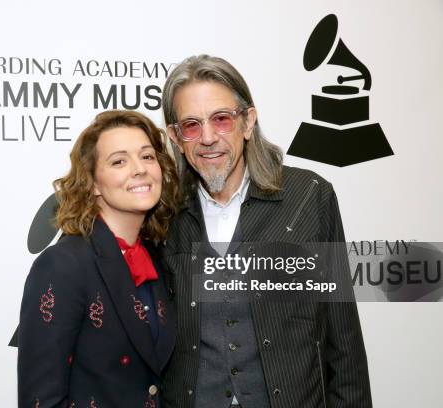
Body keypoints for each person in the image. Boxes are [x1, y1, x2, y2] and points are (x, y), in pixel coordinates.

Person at [159, 55, 372, 407]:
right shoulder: (163, 214)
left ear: (248, 122)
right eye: (192, 125)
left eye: (222, 119)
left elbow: (343, 338)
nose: (208, 138)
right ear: (176, 137)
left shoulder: (309, 197)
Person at [18, 110, 179, 408]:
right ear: (92, 183)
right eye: (119, 161)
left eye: (147, 157)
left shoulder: (159, 257)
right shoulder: (63, 265)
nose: (139, 169)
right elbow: (40, 401)